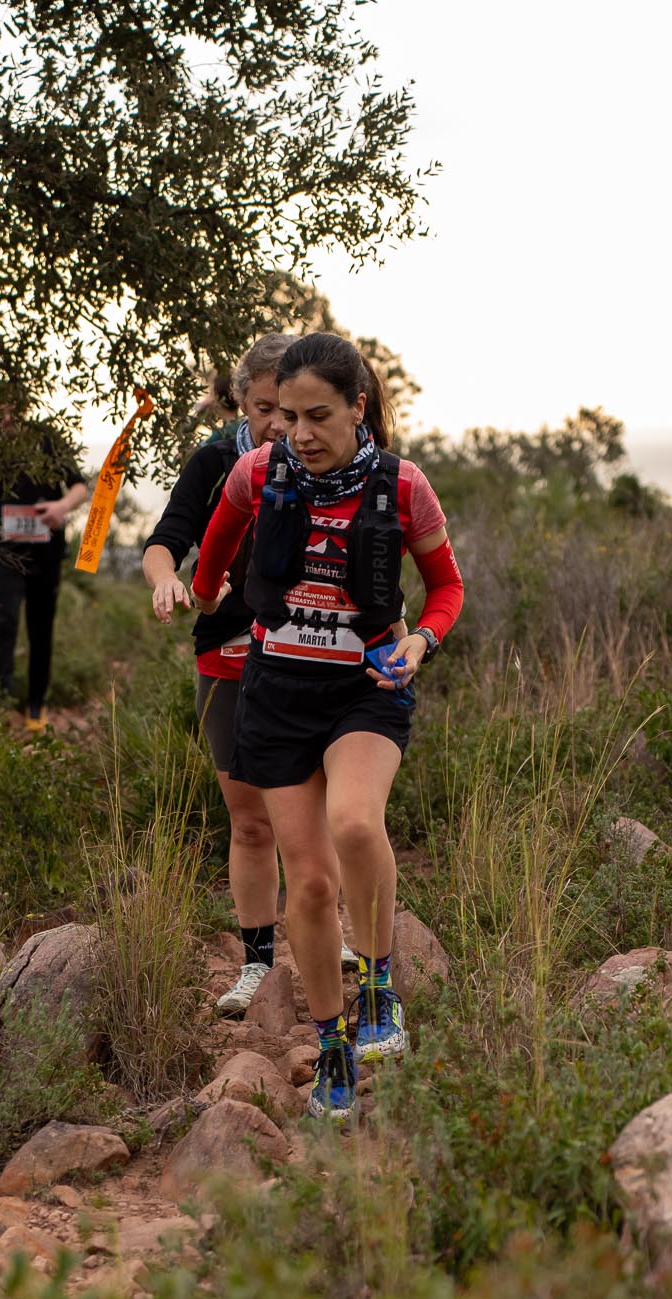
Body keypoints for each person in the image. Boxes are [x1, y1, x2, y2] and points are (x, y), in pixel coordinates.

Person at [190, 331, 464, 1122]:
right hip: (276, 692)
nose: (298, 434)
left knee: (353, 822)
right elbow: (210, 568)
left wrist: (421, 640)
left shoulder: (402, 485)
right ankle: (331, 1040)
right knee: (307, 883)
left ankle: (377, 988)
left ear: (358, 408)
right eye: (287, 417)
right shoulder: (254, 472)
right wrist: (203, 598)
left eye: (317, 416)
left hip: (364, 690)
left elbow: (445, 588)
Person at [142, 335, 290, 1017]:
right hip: (225, 646)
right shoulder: (214, 460)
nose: (277, 424)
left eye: (289, 409)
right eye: (263, 409)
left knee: (319, 810)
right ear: (241, 403)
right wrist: (167, 580)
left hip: (310, 646)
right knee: (249, 819)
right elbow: (164, 541)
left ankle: (337, 938)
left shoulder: (326, 454)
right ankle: (257, 963)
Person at [0, 383, 88, 732]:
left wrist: (61, 507)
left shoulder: (48, 439)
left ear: (24, 407)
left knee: (41, 629)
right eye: (1, 410)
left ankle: (36, 705)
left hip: (45, 553)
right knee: (3, 623)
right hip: (3, 553)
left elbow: (80, 486)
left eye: (12, 409)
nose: (7, 417)